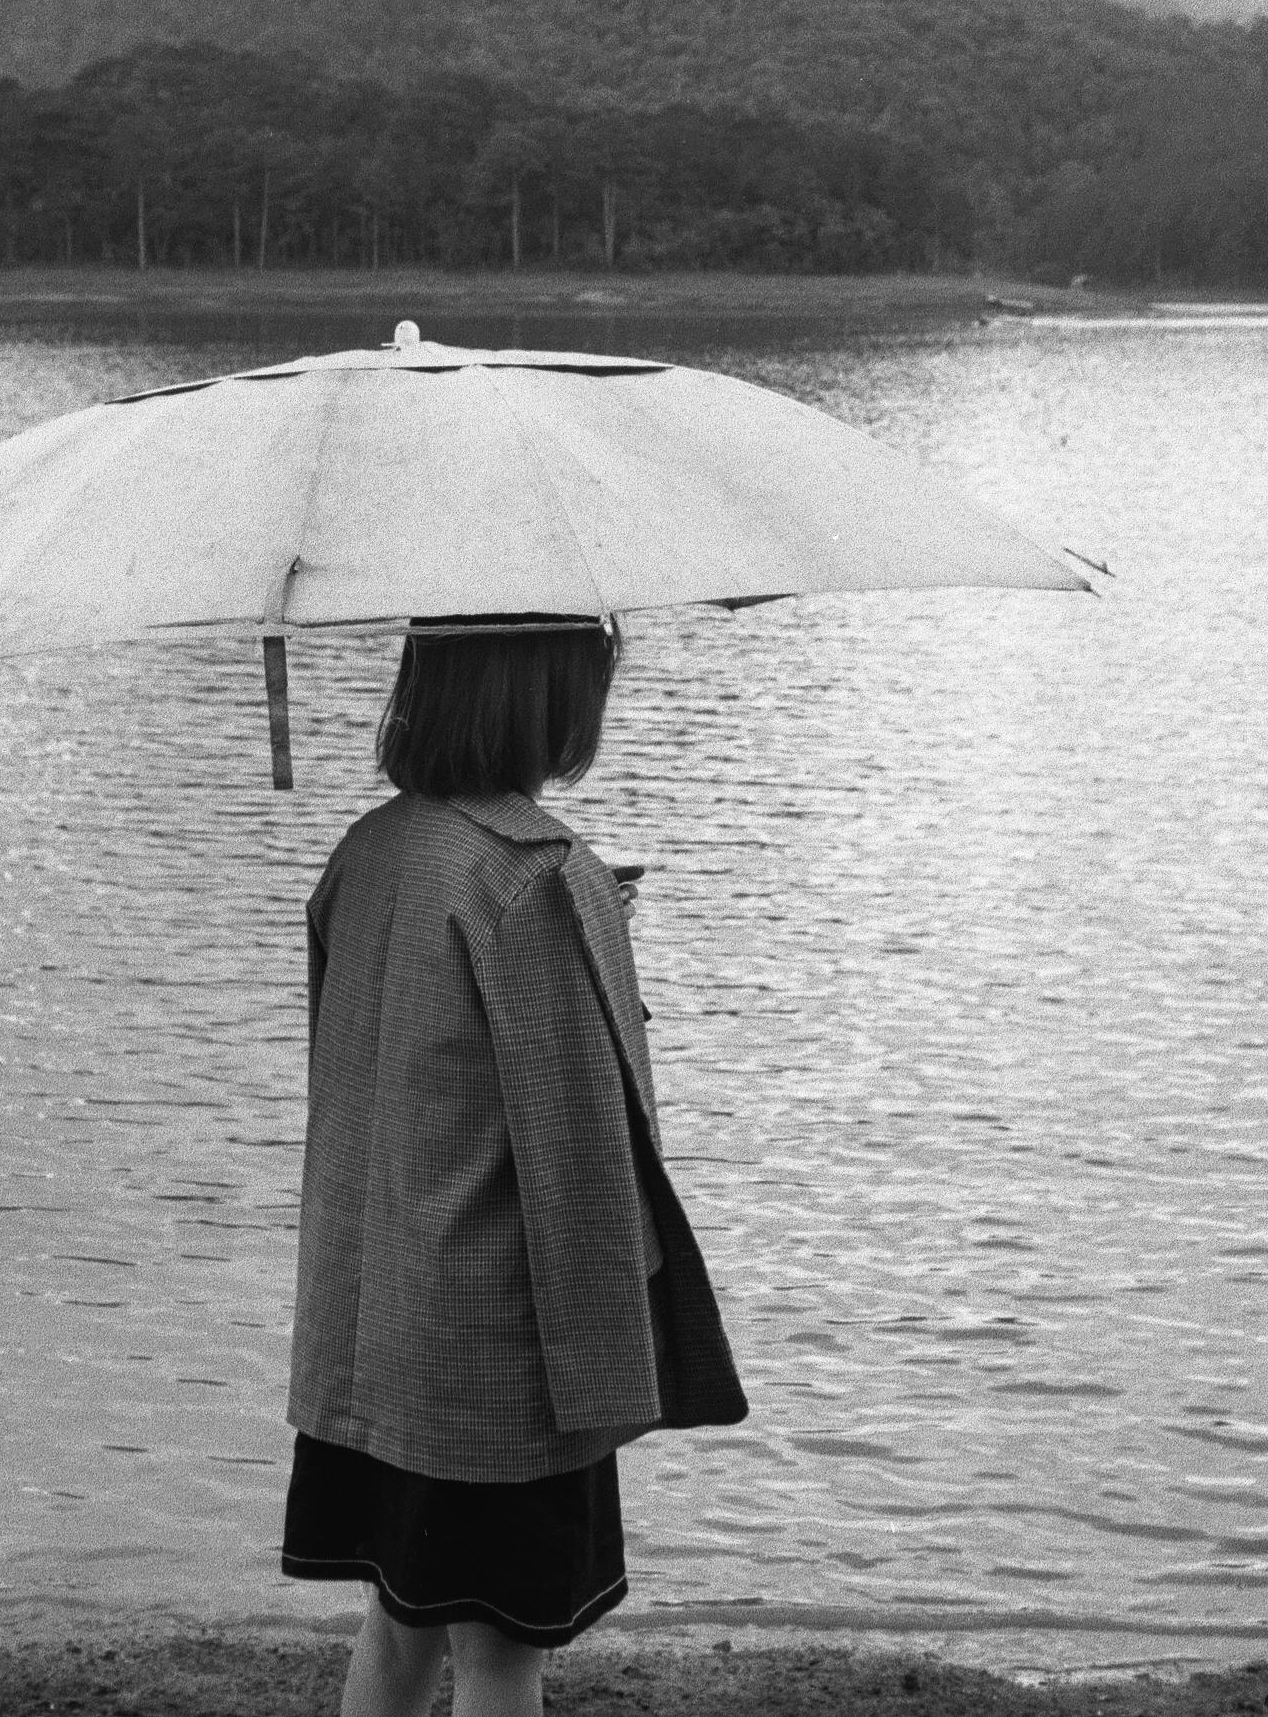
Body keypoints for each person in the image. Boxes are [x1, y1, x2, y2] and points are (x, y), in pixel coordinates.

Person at [281, 615, 746, 1715]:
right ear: (545, 701)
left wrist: (588, 938)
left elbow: (399, 1070)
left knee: (399, 1625)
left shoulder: (372, 847)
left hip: (381, 1325)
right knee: (502, 1654)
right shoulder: (539, 876)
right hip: (500, 1353)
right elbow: (585, 1145)